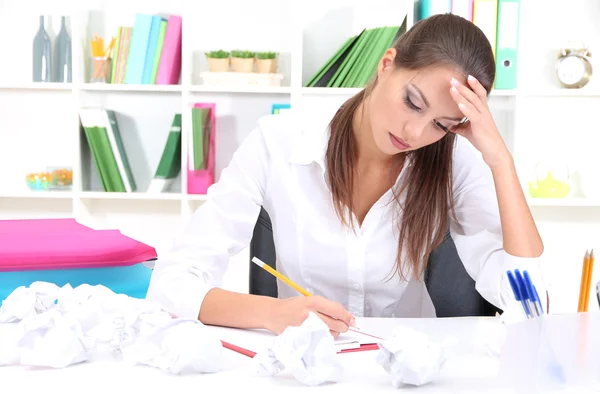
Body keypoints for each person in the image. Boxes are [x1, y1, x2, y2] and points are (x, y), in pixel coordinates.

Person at [146, 14, 547, 337]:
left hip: (406, 372)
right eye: (412, 102)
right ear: (387, 63)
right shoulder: (280, 143)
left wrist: (500, 162)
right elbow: (171, 283)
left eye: (441, 124)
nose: (414, 133)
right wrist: (274, 314)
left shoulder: (453, 160)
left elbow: (529, 303)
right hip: (303, 367)